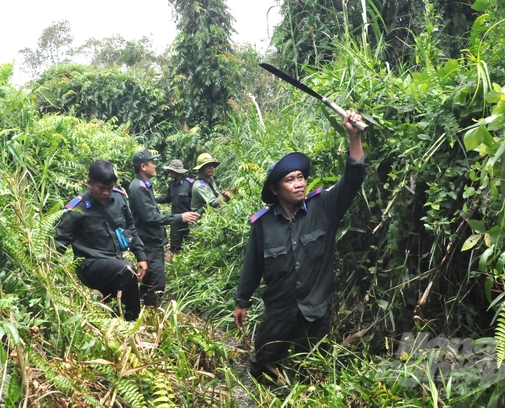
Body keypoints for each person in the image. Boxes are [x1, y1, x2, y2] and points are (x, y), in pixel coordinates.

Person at [232, 111, 366, 381]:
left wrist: (354, 136)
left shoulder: (324, 207)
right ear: (274, 189)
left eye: (300, 177)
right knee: (262, 365)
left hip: (314, 310)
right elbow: (253, 265)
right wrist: (242, 301)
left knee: (312, 371)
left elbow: (353, 178)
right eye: (290, 180)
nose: (299, 184)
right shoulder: (263, 224)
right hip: (278, 312)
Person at [55, 160, 148, 322]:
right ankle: (132, 320)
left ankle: (125, 321)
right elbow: (59, 241)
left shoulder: (119, 199)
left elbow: (130, 229)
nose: (106, 193)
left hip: (114, 262)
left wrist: (141, 255)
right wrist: (50, 270)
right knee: (127, 269)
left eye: (110, 188)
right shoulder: (77, 208)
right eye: (101, 188)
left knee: (126, 273)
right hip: (89, 265)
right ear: (89, 183)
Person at [129, 149, 199, 306]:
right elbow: (151, 217)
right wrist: (180, 217)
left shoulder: (145, 185)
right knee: (157, 283)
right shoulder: (138, 187)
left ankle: (142, 308)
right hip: (149, 242)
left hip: (153, 240)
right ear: (143, 166)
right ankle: (151, 312)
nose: (155, 165)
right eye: (152, 162)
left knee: (148, 280)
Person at [156, 159, 195, 254]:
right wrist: (154, 199)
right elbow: (168, 198)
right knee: (174, 246)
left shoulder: (190, 184)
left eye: (171, 171)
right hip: (176, 221)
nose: (169, 173)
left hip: (189, 221)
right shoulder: (172, 185)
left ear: (177, 172)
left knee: (190, 246)